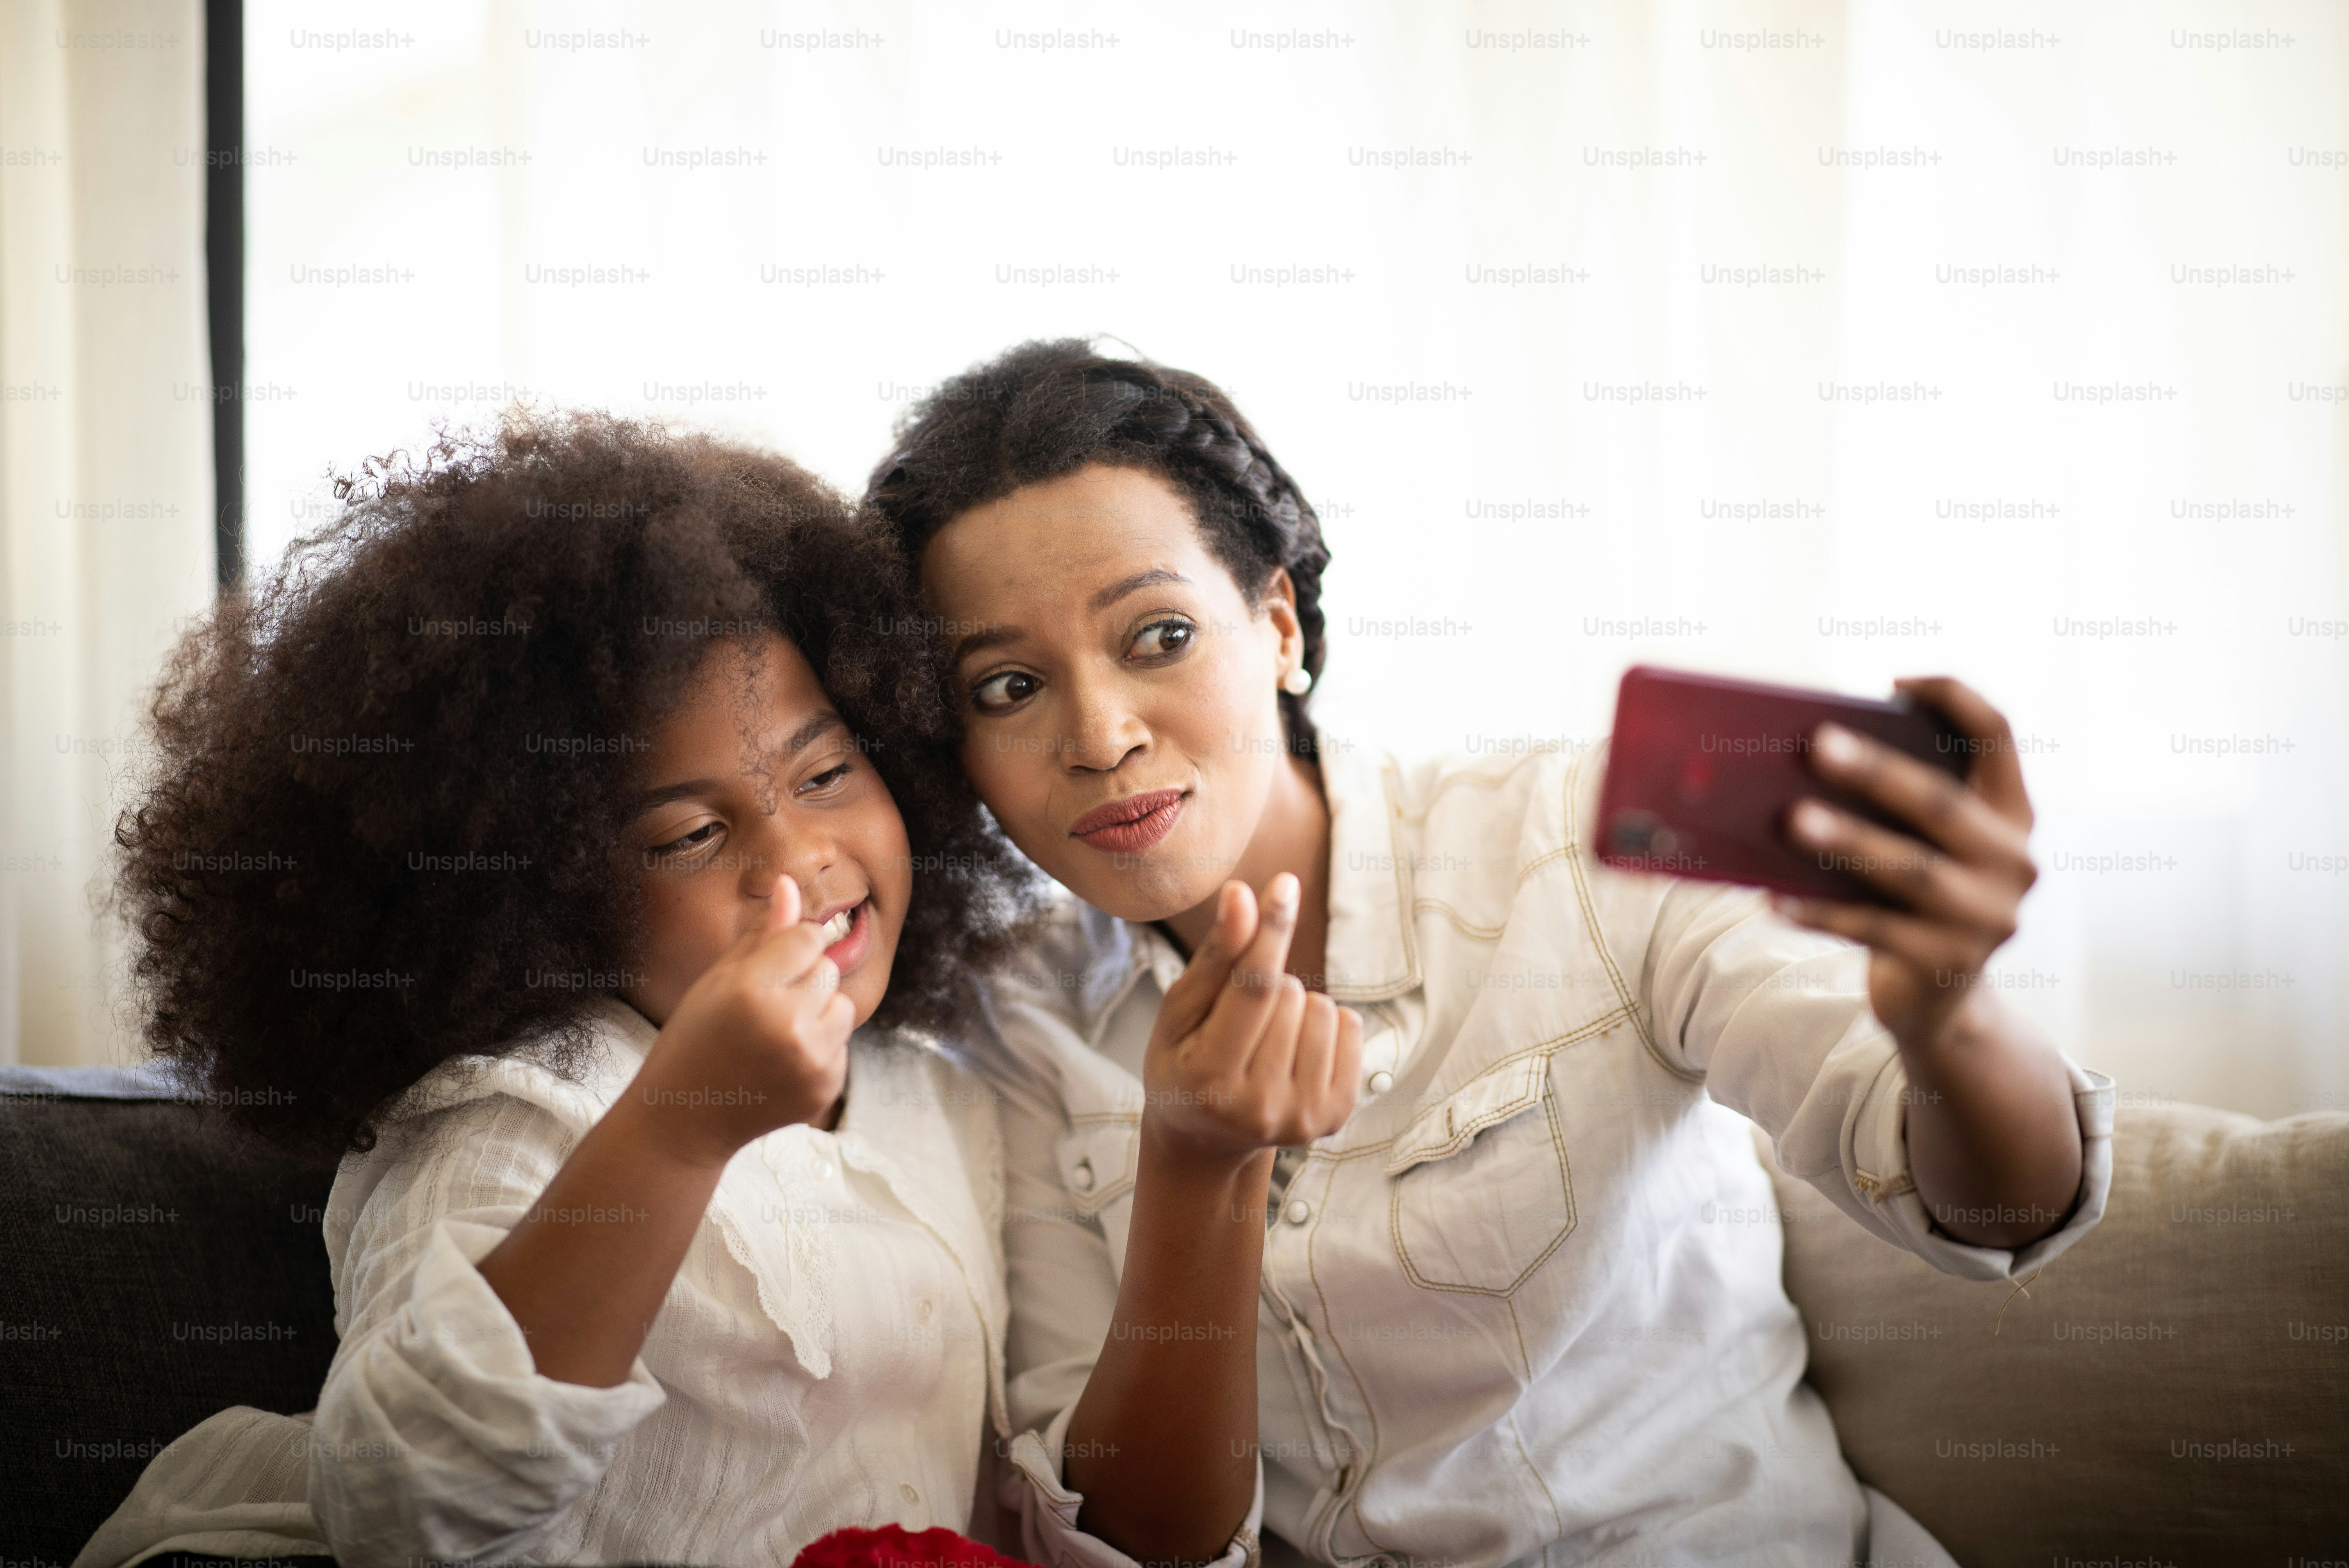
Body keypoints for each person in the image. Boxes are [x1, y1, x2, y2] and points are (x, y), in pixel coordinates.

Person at [865, 340, 2116, 1568]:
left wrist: (1948, 1014)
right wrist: (1202, 1169)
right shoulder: (1011, 1025)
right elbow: (1146, 1543)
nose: (1100, 735)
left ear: (1282, 626)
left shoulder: (1574, 850)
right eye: (1008, 687)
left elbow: (2001, 1209)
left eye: (1157, 638)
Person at [77, 413, 1043, 1567]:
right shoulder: (525, 1114)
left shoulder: (952, 1095)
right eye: (689, 835)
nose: (797, 865)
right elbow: (402, 1511)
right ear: (547, 892)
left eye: (828, 771)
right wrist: (679, 1133)